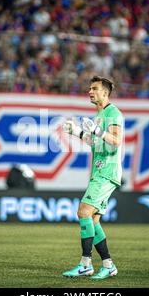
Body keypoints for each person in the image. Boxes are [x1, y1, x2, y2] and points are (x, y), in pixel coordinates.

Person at [61, 75, 124, 280]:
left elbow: (115, 141)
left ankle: (85, 264)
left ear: (105, 92)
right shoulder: (101, 114)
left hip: (107, 172)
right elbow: (97, 143)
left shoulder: (113, 113)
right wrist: (78, 132)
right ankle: (108, 265)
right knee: (93, 220)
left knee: (83, 211)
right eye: (89, 88)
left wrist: (97, 130)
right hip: (100, 171)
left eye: (94, 88)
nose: (90, 91)